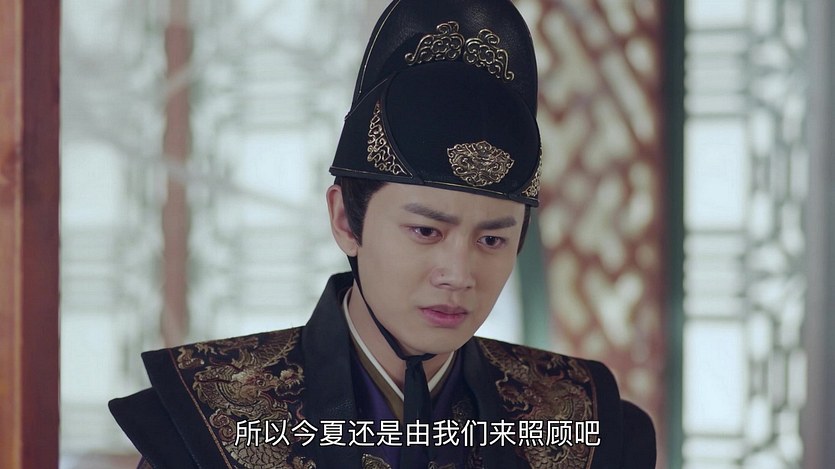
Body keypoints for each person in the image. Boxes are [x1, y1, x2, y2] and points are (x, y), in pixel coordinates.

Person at [109, 0, 657, 467]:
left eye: (491, 240)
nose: (458, 274)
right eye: (425, 230)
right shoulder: (203, 422)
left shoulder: (584, 424)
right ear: (346, 221)